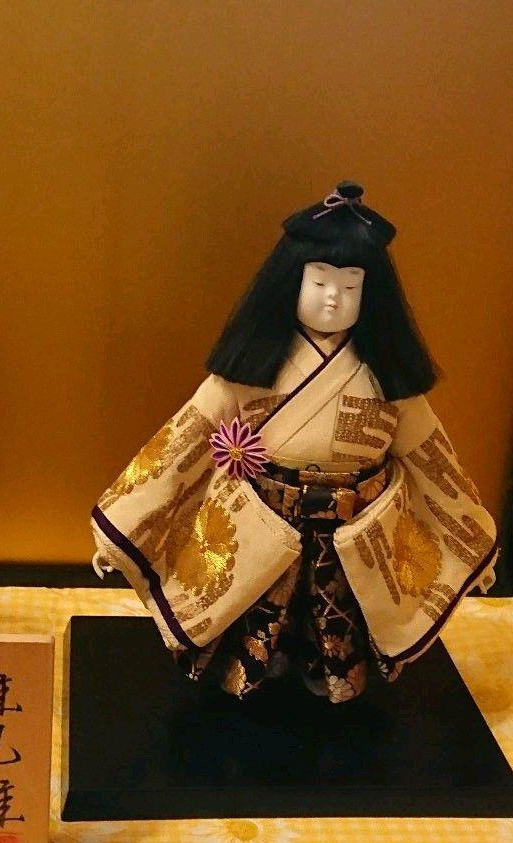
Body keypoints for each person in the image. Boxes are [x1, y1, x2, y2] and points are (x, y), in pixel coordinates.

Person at [92, 182, 496, 702]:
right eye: (321, 281)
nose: (334, 297)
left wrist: (474, 538)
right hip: (263, 522)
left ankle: (329, 684)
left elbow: (434, 462)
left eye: (350, 286)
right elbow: (181, 443)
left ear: (371, 296)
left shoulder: (388, 377)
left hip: (352, 532)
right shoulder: (252, 368)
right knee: (254, 618)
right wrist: (122, 521)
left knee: (341, 622)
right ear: (292, 283)